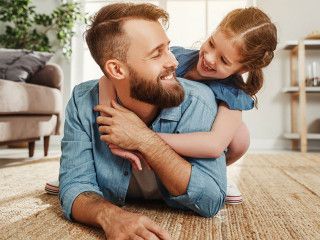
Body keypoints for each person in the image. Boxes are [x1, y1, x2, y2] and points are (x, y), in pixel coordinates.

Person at [59, 3, 227, 239]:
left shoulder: (199, 100)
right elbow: (74, 186)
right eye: (157, 53)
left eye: (168, 48)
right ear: (116, 70)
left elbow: (211, 201)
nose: (174, 62)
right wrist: (110, 216)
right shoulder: (82, 101)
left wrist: (144, 139)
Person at [97, 7, 278, 204]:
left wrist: (143, 138)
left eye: (223, 60)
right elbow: (108, 79)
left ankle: (213, 176)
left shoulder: (233, 93)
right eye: (211, 44)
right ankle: (88, 169)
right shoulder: (175, 57)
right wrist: (111, 126)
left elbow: (215, 145)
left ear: (242, 69)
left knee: (240, 136)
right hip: (155, 122)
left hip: (187, 142)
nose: (209, 58)